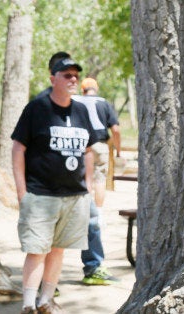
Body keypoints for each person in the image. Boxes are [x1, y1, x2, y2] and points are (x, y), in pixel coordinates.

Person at [11, 57, 96, 313]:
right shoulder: (37, 108)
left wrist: (89, 186)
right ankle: (28, 304)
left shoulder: (81, 110)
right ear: (53, 79)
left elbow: (89, 150)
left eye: (75, 76)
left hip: (74, 196)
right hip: (40, 195)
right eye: (66, 75)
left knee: (58, 250)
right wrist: (21, 191)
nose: (72, 79)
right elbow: (18, 148)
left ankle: (46, 300)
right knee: (37, 251)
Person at [72, 77, 121, 285]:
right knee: (100, 178)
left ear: (83, 89)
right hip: (98, 144)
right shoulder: (103, 103)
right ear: (96, 88)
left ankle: (93, 211)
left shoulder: (76, 102)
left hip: (80, 146)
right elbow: (116, 129)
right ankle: (98, 211)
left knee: (89, 181)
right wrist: (118, 150)